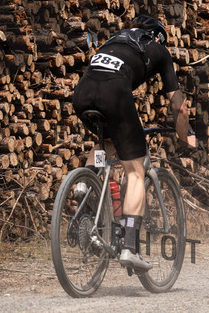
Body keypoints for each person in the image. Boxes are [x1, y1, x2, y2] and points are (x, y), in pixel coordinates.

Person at [72, 15, 196, 270]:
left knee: (107, 142)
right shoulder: (158, 50)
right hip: (114, 94)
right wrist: (184, 136)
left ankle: (85, 183)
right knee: (136, 171)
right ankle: (129, 247)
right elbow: (180, 107)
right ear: (159, 37)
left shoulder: (113, 40)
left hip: (82, 93)